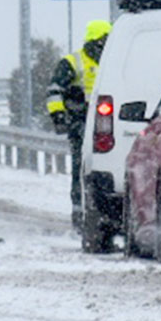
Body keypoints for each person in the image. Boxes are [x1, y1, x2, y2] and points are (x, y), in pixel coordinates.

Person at [46, 18, 112, 230]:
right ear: (94, 40)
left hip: (107, 126)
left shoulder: (112, 60)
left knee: (105, 170)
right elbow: (54, 90)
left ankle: (104, 213)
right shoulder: (73, 62)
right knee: (80, 169)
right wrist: (59, 116)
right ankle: (79, 215)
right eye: (103, 40)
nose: (106, 44)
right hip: (80, 124)